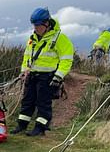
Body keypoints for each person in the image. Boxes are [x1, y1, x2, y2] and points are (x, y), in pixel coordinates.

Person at [10, 8, 74, 136]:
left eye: (38, 25)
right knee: (27, 101)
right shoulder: (33, 38)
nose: (36, 28)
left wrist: (58, 76)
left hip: (48, 77)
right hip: (31, 75)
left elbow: (66, 59)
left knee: (43, 102)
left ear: (47, 23)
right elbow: (27, 56)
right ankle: (22, 125)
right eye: (34, 25)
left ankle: (40, 127)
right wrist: (24, 71)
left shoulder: (60, 39)